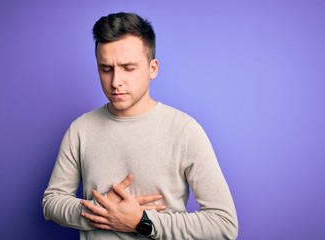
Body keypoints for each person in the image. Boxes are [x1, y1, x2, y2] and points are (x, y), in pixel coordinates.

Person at [42, 12, 238, 240]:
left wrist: (141, 222)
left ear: (152, 68)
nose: (115, 82)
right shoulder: (80, 129)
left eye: (128, 68)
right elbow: (52, 202)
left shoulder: (184, 130)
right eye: (106, 68)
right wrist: (100, 211)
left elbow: (224, 224)